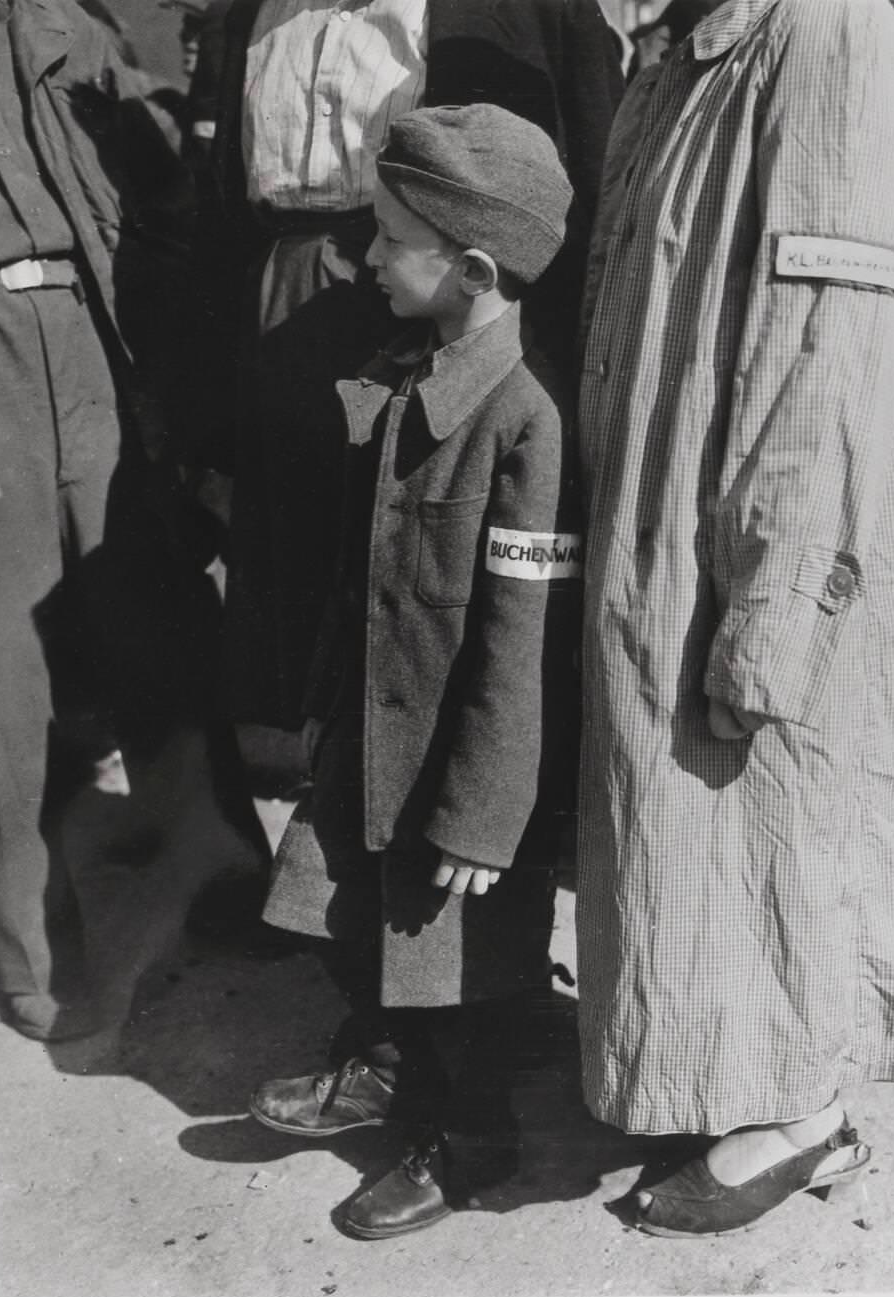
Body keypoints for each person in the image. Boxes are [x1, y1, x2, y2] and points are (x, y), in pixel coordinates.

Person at [576, 0, 894, 1237]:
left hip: (770, 520)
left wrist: (779, 596)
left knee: (785, 802)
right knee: (704, 833)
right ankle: (736, 1067)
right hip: (675, 501)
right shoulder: (694, 47)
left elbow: (825, 355)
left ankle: (806, 1112)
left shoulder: (832, 41)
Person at [247, 104, 581, 1240]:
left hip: (451, 770)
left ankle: (468, 1142)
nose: (369, 256)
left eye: (393, 237)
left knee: (465, 976)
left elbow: (515, 640)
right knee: (359, 928)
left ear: (475, 266)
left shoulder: (522, 418)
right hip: (374, 735)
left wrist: (487, 816)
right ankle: (388, 1070)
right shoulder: (408, 371)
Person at [191, 0, 621, 734]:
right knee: (296, 544)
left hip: (434, 281)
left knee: (419, 536)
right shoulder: (253, 14)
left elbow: (587, 159)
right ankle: (314, 752)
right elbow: (216, 198)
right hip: (284, 280)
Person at [0, 0, 268, 1042]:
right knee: (1, 665)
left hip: (95, 326)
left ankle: (226, 879)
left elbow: (163, 179)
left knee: (151, 603)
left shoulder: (69, 20)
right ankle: (29, 946)